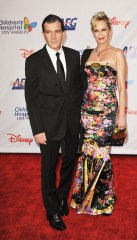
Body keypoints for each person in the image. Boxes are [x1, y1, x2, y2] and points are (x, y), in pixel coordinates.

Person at [25, 14, 81, 230]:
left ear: (63, 33)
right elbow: (31, 97)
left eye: (57, 31)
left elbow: (76, 90)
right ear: (43, 34)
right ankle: (52, 212)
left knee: (69, 163)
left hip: (71, 123)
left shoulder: (74, 56)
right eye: (48, 32)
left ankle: (60, 199)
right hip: (47, 127)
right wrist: (37, 128)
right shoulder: (34, 60)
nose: (53, 36)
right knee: (48, 169)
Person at [71, 11, 127, 215]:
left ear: (110, 30)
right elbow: (82, 85)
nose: (100, 34)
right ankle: (83, 198)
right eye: (96, 30)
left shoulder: (117, 53)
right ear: (93, 32)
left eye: (103, 29)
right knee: (87, 154)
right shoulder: (88, 54)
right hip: (87, 113)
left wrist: (121, 115)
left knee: (102, 156)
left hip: (106, 115)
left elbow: (122, 88)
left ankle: (102, 200)